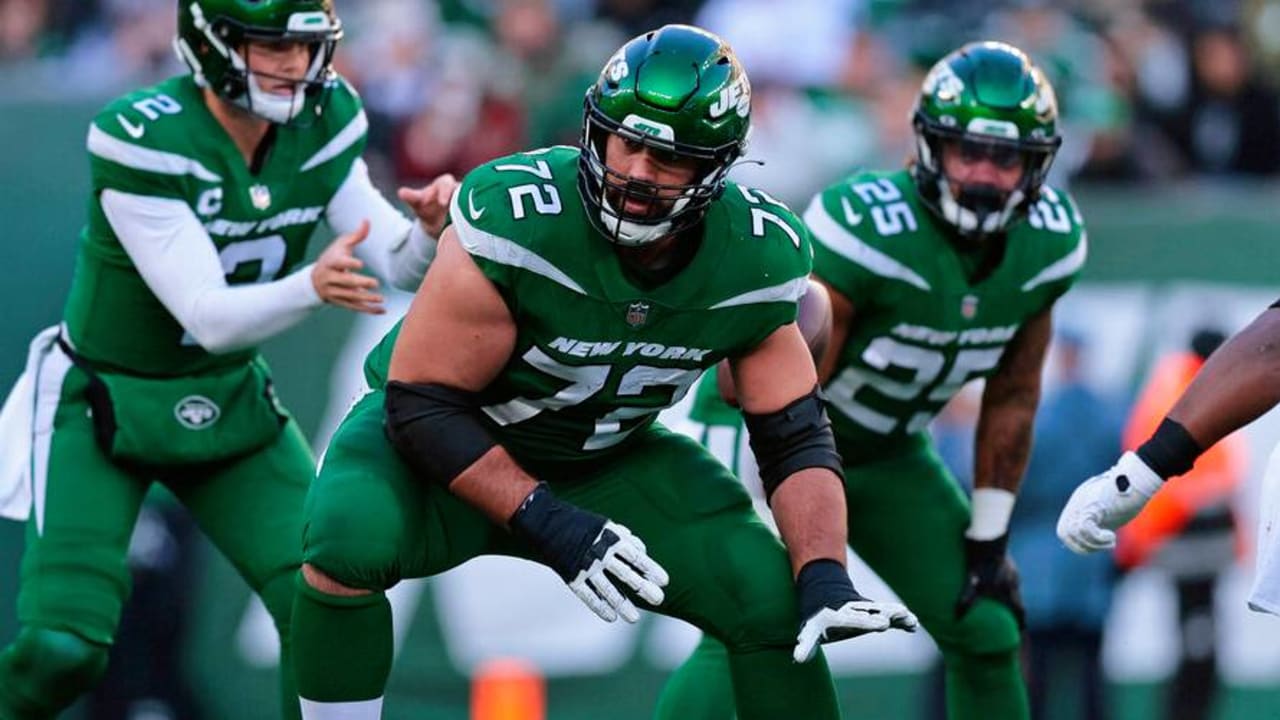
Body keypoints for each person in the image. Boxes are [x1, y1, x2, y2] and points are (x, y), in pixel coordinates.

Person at [288, 24, 917, 720]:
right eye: (629, 143)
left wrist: (825, 571)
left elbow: (794, 434)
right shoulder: (518, 217)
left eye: (670, 157)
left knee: (770, 597)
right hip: (440, 449)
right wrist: (549, 522)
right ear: (597, 130)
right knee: (347, 534)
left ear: (717, 166)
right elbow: (422, 406)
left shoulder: (757, 260)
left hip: (606, 457)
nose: (639, 172)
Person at [0, 1, 456, 718]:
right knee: (64, 650)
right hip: (102, 404)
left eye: (305, 48)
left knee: (322, 604)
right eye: (268, 45)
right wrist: (312, 286)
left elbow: (394, 259)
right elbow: (207, 316)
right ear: (210, 42)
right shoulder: (143, 133)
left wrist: (430, 234)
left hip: (227, 396)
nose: (292, 65)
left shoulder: (324, 118)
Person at [658, 41, 1087, 720]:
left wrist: (989, 534)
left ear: (1036, 166)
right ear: (926, 148)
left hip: (885, 449)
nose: (981, 174)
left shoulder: (1049, 244)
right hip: (773, 432)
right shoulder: (868, 228)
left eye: (1004, 158)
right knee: (756, 624)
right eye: (966, 150)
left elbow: (1013, 394)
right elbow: (774, 381)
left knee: (986, 627)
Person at [1071, 328, 1245, 720]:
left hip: (1188, 548)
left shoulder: (1179, 385)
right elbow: (1194, 483)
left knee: (1195, 641)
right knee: (1196, 644)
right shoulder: (1192, 391)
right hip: (1189, 549)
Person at [1011, 332, 1123, 720]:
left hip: (1039, 561)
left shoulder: (1040, 417)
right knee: (1090, 674)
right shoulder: (1110, 416)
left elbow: (1017, 487)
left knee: (1037, 672)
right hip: (1090, 558)